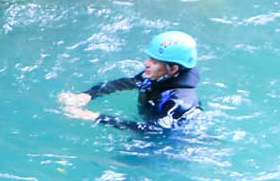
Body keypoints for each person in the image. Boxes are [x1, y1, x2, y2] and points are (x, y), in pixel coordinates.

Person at [58, 31, 202, 132]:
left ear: (173, 69)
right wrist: (88, 94)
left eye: (154, 61)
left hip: (170, 145)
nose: (146, 63)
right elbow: (129, 83)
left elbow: (155, 130)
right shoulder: (159, 75)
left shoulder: (181, 102)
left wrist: (95, 117)